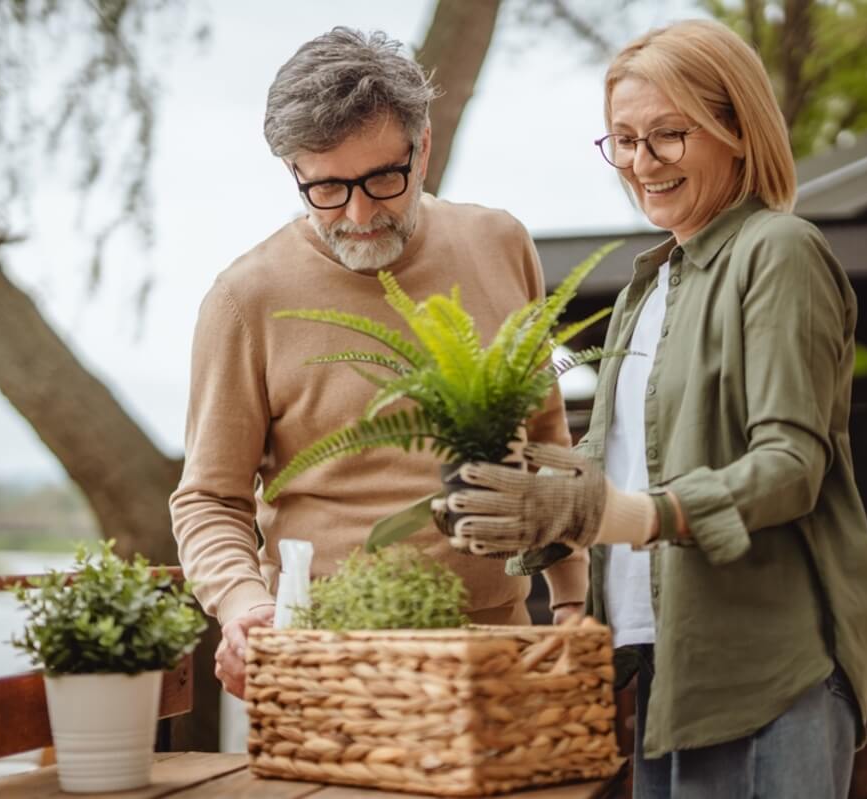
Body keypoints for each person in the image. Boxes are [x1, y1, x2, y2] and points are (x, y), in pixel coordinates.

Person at [439, 19, 867, 799]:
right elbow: (623, 470)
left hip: (767, 670)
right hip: (665, 672)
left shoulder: (776, 251)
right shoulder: (653, 285)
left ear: (736, 130)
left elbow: (791, 467)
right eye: (623, 140)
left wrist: (631, 516)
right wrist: (526, 499)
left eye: (668, 136)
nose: (642, 163)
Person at [169, 27, 587, 701]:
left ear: (422, 149)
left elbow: (545, 443)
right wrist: (244, 603)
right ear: (293, 173)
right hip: (327, 661)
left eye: (382, 179)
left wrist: (570, 604)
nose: (359, 214)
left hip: (499, 650)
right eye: (327, 189)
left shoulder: (500, 244)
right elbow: (209, 498)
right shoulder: (246, 297)